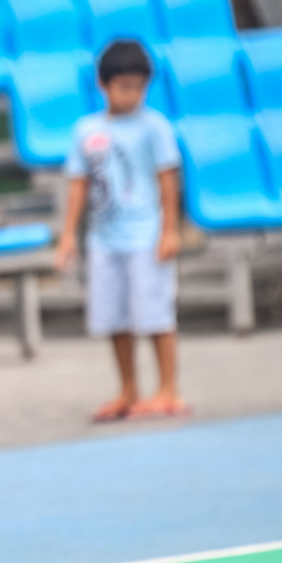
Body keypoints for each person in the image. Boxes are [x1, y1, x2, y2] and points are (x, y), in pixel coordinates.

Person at [56, 39, 186, 421]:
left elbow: (167, 181)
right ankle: (128, 389)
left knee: (155, 315)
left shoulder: (155, 127)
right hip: (103, 240)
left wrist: (170, 231)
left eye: (139, 87)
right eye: (124, 86)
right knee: (114, 317)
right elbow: (78, 185)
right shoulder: (86, 130)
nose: (132, 95)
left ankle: (168, 389)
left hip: (145, 237)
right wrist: (68, 235)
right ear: (103, 84)